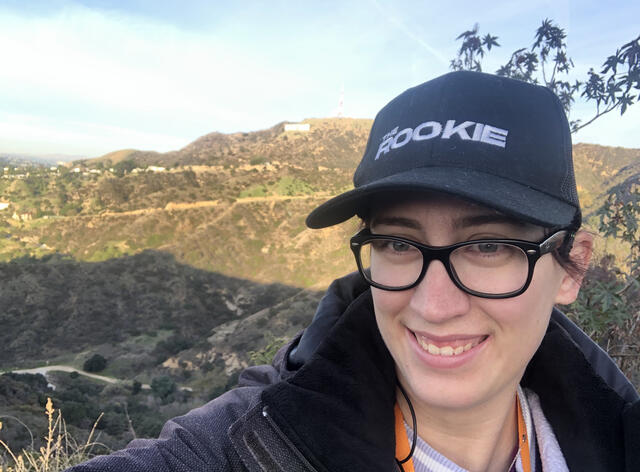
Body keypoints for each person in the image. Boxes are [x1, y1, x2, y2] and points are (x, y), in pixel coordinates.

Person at [66, 71, 639, 472]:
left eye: (487, 246)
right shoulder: (249, 443)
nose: (433, 305)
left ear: (573, 267)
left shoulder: (621, 439)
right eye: (398, 242)